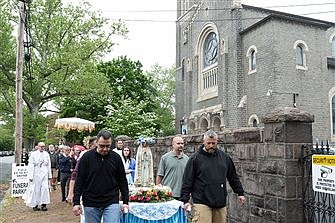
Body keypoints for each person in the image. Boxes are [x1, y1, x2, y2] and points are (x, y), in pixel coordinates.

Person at [180, 130, 246, 223]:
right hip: (201, 201)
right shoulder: (195, 159)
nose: (211, 145)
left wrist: (240, 193)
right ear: (203, 142)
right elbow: (187, 180)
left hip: (220, 202)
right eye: (208, 143)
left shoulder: (225, 158)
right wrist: (185, 200)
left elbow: (233, 177)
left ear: (217, 142)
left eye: (213, 143)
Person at [73, 129, 129, 223]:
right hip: (90, 202)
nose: (105, 149)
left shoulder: (116, 158)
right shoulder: (86, 158)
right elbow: (79, 181)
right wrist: (76, 202)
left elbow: (122, 181)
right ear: (96, 143)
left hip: (111, 201)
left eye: (108, 146)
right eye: (102, 146)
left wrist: (125, 202)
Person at [24, 142, 52, 211]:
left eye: (43, 146)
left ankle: (44, 204)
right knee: (36, 189)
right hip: (36, 173)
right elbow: (30, 165)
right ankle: (35, 204)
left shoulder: (46, 154)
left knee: (45, 188)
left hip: (44, 173)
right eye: (41, 146)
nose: (42, 148)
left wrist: (49, 175)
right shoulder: (33, 154)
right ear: (38, 147)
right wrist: (30, 176)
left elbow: (49, 165)